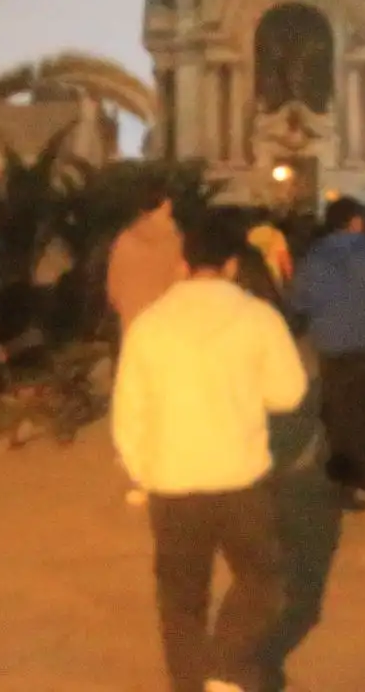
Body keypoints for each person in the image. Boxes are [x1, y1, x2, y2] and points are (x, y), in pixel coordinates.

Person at [112, 208, 310, 692]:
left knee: (181, 597)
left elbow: (127, 413)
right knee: (263, 581)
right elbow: (289, 393)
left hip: (173, 482)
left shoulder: (149, 325)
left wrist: (145, 469)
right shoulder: (258, 318)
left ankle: (190, 682)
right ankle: (227, 665)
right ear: (231, 265)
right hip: (239, 477)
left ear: (183, 265)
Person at [288, 195, 365, 510]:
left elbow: (299, 300)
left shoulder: (315, 257)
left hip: (331, 346)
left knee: (338, 412)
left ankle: (345, 478)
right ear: (355, 222)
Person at [106, 186, 187, 505]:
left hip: (133, 330)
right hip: (168, 332)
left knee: (137, 402)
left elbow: (113, 289)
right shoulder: (175, 242)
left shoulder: (124, 242)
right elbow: (182, 284)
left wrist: (128, 307)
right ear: (165, 205)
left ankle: (138, 473)